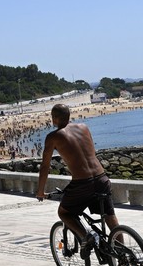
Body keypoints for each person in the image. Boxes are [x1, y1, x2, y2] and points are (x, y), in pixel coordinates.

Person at [35, 104, 119, 257]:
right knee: (111, 219)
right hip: (101, 178)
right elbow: (90, 152)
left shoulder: (53, 136)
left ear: (54, 118)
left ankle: (86, 236)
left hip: (83, 183)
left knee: (64, 213)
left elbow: (45, 166)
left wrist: (40, 191)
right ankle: (123, 259)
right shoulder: (84, 127)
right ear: (69, 115)